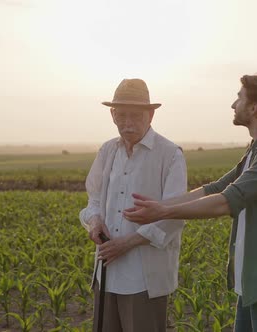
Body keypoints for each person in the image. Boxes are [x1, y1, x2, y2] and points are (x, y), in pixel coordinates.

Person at [124, 74, 257, 332]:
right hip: (254, 278)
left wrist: (163, 211)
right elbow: (216, 188)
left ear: (254, 108)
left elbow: (226, 201)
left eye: (239, 98)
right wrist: (161, 205)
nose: (234, 104)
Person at [79, 78, 187, 332]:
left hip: (145, 279)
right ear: (112, 115)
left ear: (150, 115)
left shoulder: (170, 154)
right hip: (106, 274)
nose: (128, 123)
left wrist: (126, 244)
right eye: (122, 115)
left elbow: (174, 215)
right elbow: (93, 199)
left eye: (136, 115)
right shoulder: (107, 151)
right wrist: (94, 222)